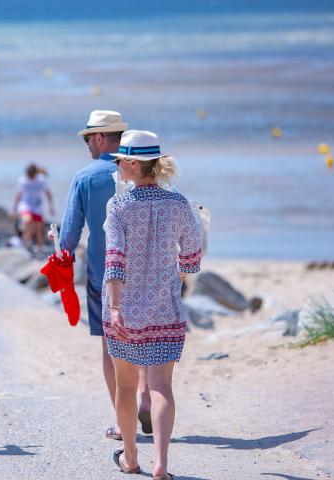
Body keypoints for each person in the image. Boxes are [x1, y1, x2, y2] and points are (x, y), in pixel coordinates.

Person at [103, 130, 203, 479]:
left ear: (132, 164)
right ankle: (161, 464)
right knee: (161, 386)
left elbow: (114, 260)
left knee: (126, 387)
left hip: (125, 309)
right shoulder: (177, 202)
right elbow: (193, 247)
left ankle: (131, 458)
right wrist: (182, 273)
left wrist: (114, 307)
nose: (117, 166)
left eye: (120, 160)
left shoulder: (118, 206)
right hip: (166, 309)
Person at [59, 110, 153, 440]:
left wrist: (60, 254)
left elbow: (68, 237)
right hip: (146, 273)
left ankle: (120, 420)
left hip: (105, 274)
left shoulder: (85, 177)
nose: (87, 145)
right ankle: (143, 397)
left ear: (100, 138)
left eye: (88, 138)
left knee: (111, 348)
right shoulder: (138, 170)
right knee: (142, 340)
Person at [12, 163, 55, 257]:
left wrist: (51, 207)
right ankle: (25, 247)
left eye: (32, 176)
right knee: (28, 223)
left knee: (39, 229)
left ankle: (40, 250)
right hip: (25, 205)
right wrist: (14, 209)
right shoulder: (23, 181)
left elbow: (48, 193)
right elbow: (18, 195)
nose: (30, 178)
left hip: (37, 207)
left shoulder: (41, 180)